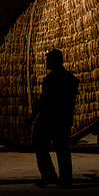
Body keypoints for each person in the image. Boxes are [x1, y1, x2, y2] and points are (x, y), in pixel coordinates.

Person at [32, 49, 80, 188]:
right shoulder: (70, 78)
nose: (46, 63)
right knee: (62, 148)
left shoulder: (51, 79)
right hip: (64, 117)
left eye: (48, 60)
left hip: (49, 116)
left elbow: (43, 99)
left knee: (39, 142)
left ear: (54, 61)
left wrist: (32, 116)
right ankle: (65, 178)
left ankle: (49, 175)